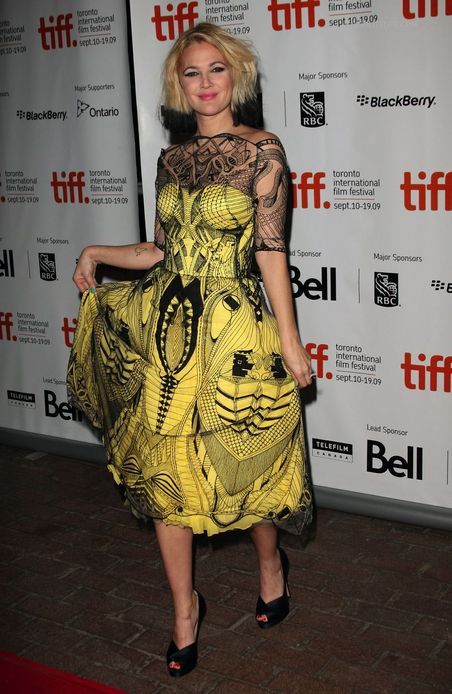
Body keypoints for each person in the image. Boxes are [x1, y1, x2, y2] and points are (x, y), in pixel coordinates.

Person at [67, 22, 313, 679]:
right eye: (191, 73)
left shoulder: (263, 151)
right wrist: (96, 251)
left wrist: (289, 339)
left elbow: (271, 252)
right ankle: (185, 610)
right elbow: (159, 251)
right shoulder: (171, 161)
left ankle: (270, 565)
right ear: (179, 85)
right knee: (166, 476)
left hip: (234, 331)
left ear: (237, 76)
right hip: (172, 334)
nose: (205, 84)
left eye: (216, 70)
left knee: (246, 465)